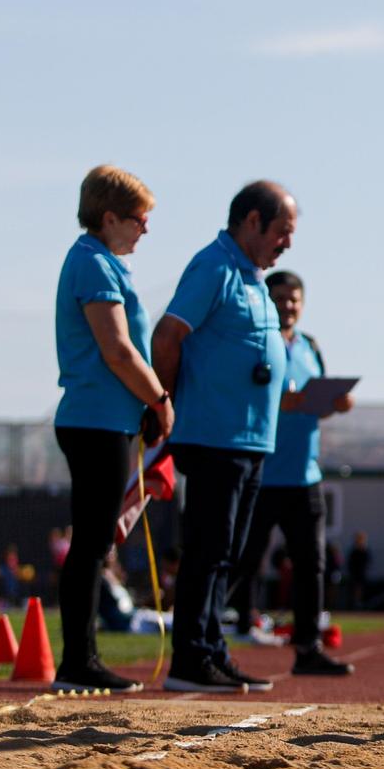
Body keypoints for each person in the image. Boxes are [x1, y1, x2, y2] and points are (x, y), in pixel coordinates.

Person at [150, 179, 297, 693]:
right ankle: (190, 658)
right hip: (214, 436)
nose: (288, 243)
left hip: (250, 441)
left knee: (229, 553)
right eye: (282, 230)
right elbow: (167, 337)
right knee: (208, 549)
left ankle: (212, 649)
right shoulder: (214, 267)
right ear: (252, 221)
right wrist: (162, 403)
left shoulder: (253, 277)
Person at [50, 165, 172, 692]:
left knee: (96, 543)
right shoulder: (94, 264)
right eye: (139, 219)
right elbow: (118, 350)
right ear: (109, 217)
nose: (145, 229)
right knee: (92, 545)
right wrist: (160, 398)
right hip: (95, 422)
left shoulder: (104, 264)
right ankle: (78, 661)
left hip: (109, 420)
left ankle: (82, 659)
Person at [232, 270, 354, 677]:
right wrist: (288, 401)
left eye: (294, 299)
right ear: (268, 300)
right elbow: (249, 394)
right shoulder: (257, 341)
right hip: (263, 473)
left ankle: (308, 648)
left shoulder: (309, 346)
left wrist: (335, 403)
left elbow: (315, 400)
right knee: (241, 560)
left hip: (306, 476)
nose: (288, 305)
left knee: (311, 564)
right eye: (280, 297)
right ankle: (218, 638)